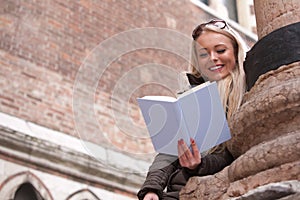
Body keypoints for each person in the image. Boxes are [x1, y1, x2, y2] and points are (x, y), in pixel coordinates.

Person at [137, 19, 249, 200]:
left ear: (236, 52)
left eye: (220, 50)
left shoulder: (248, 93)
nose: (213, 58)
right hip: (177, 190)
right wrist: (152, 187)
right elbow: (169, 150)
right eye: (204, 54)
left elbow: (234, 154)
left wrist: (199, 165)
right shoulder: (190, 96)